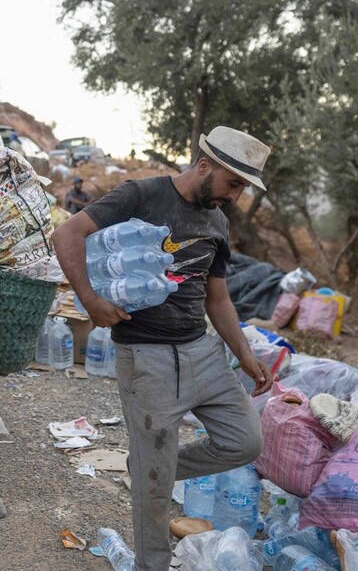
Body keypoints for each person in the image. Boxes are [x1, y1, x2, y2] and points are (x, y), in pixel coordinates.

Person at [53, 126, 273, 570]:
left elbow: (218, 298)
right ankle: (150, 561)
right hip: (147, 357)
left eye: (243, 188)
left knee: (245, 441)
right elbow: (67, 235)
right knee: (154, 491)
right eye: (233, 183)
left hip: (203, 351)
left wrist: (246, 356)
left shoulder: (218, 221)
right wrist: (92, 301)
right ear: (205, 165)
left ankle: (151, 467)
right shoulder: (142, 194)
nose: (235, 195)